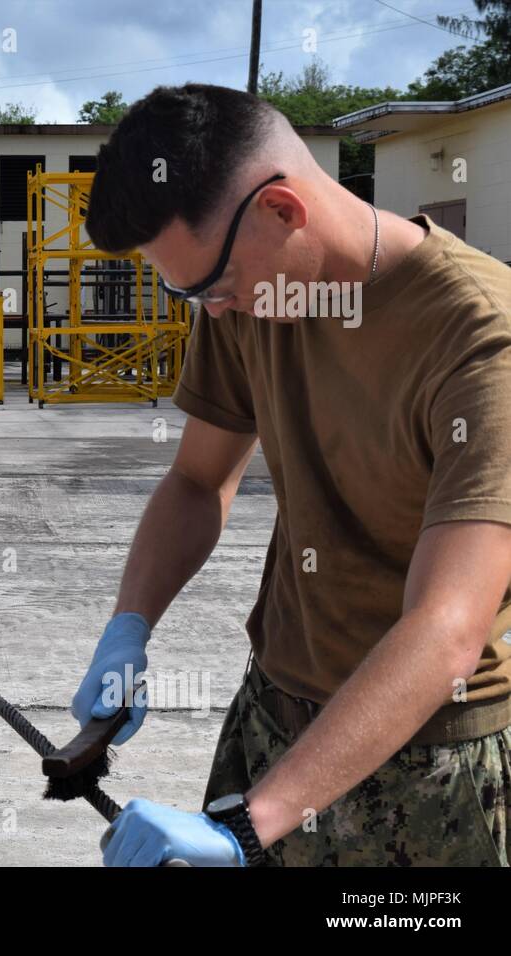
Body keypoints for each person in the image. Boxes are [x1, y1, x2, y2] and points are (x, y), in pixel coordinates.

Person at [75, 83, 511, 866]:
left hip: (430, 765)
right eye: (185, 292)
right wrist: (129, 626)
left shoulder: (481, 341)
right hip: (273, 717)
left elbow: (446, 629)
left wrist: (247, 826)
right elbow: (198, 481)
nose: (210, 310)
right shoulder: (248, 298)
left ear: (283, 209)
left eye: (210, 284)